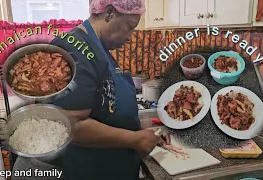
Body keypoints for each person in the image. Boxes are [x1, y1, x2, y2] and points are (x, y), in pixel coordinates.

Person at [12, 0, 170, 180]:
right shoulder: (74, 50)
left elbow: (103, 108)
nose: (129, 37)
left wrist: (138, 130)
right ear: (109, 13)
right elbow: (71, 125)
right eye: (129, 27)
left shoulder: (97, 49)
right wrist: (136, 139)